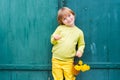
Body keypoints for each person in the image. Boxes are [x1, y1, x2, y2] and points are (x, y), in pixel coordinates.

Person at [50, 7, 85, 80]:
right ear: (62, 21)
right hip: (56, 59)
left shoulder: (79, 32)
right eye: (64, 19)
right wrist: (54, 38)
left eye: (69, 16)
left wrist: (80, 50)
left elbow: (81, 44)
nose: (68, 19)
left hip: (68, 61)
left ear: (73, 14)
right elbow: (52, 41)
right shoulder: (60, 28)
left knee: (69, 77)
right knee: (57, 78)